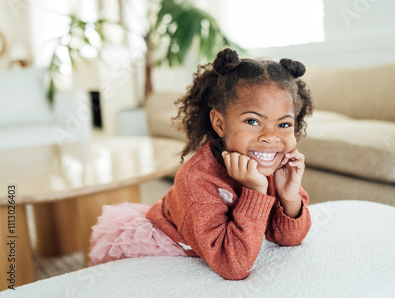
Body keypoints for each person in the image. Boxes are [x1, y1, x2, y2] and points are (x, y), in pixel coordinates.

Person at [88, 47, 314, 280]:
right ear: (220, 123)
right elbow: (233, 266)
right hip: (172, 244)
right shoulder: (196, 178)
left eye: (284, 125)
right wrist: (256, 191)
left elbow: (290, 238)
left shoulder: (275, 166)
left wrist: (290, 197)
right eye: (252, 121)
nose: (270, 136)